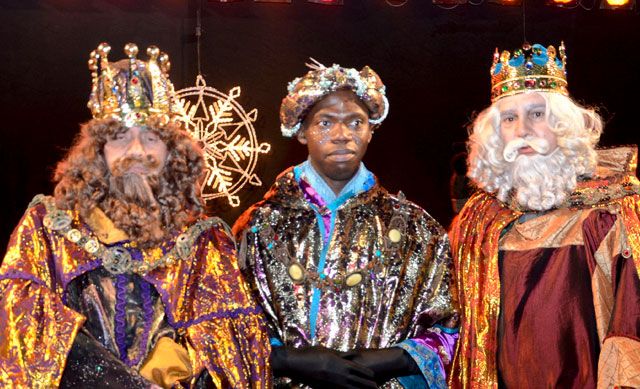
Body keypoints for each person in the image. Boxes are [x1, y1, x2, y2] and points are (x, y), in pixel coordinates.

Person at [0, 42, 270, 388]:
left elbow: (228, 351)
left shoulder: (204, 243)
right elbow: (24, 331)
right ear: (96, 152)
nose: (138, 151)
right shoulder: (47, 228)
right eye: (120, 137)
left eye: (153, 138)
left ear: (174, 154)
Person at [233, 60, 459, 388]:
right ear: (301, 131)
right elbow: (226, 330)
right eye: (325, 123)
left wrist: (398, 358)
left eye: (355, 122)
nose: (342, 135)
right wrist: (286, 360)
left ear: (371, 130)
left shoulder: (416, 230)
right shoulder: (257, 227)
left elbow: (450, 330)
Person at [449, 42, 640, 388]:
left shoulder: (609, 210)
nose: (522, 129)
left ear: (564, 125)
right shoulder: (477, 221)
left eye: (537, 114)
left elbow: (630, 324)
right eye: (509, 118)